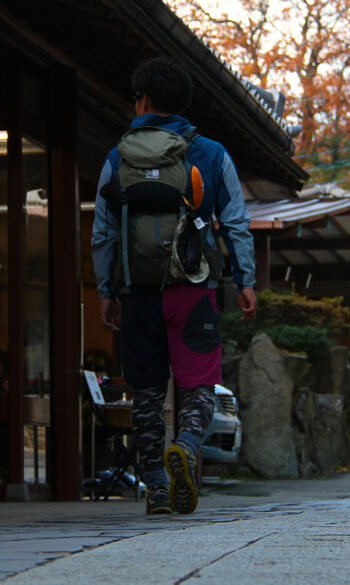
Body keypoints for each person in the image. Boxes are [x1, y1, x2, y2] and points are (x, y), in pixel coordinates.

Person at [91, 57, 257, 515]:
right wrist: (245, 281)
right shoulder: (211, 153)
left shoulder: (116, 157)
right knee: (200, 384)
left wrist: (107, 290)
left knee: (146, 391)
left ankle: (157, 489)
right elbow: (236, 224)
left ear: (141, 100)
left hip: (137, 291)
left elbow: (103, 232)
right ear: (183, 103)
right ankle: (184, 444)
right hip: (193, 289)